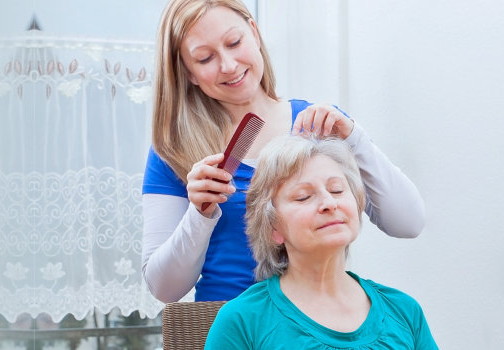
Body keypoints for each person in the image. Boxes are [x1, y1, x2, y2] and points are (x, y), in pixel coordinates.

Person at [141, 0, 427, 303]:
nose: (228, 65)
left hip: (317, 323)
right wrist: (199, 214)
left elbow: (408, 223)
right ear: (188, 73)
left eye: (234, 42)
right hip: (226, 327)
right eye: (205, 58)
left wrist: (355, 139)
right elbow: (164, 289)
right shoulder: (172, 152)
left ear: (254, 32)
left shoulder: (321, 129)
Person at [204, 136, 435, 349]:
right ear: (273, 228)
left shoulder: (405, 311)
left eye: (337, 190)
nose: (329, 203)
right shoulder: (242, 321)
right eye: (304, 196)